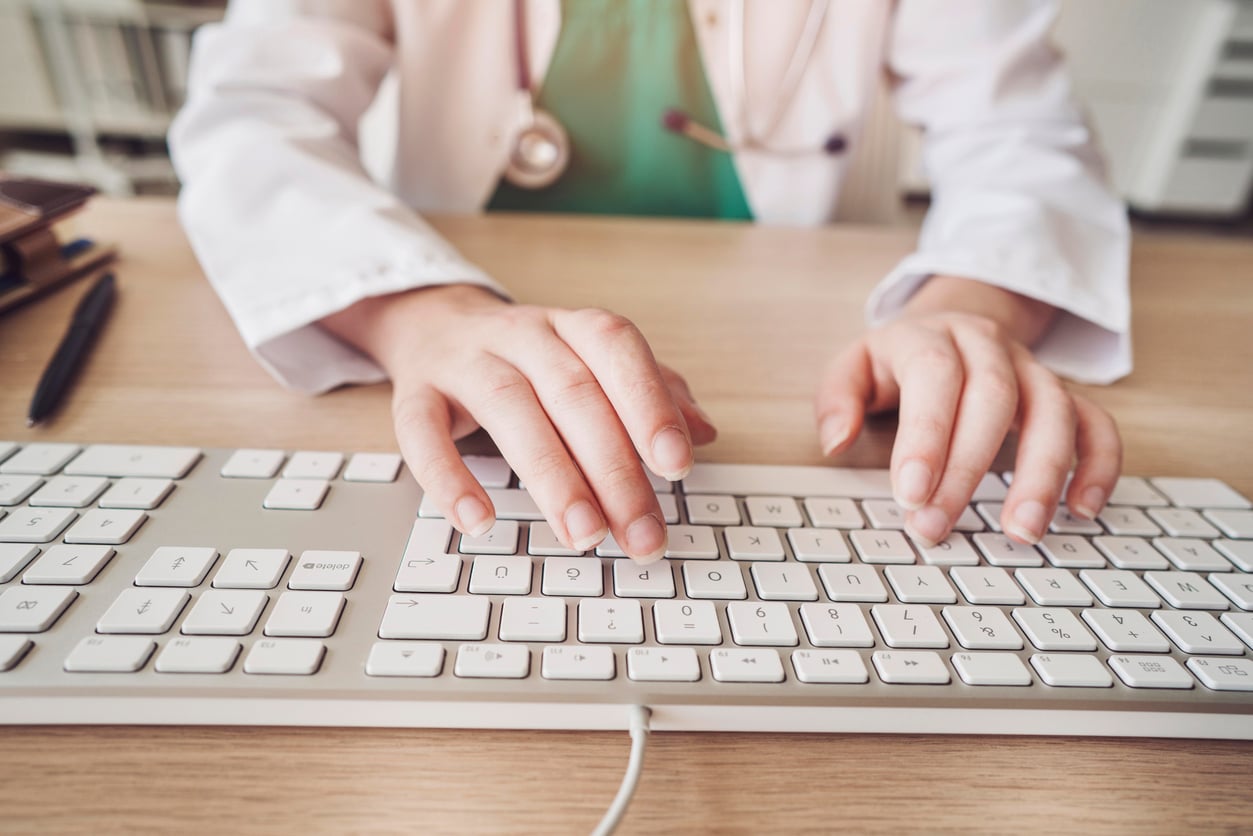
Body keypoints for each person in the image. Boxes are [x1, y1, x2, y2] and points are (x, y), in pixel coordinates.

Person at [169, 0, 1129, 564]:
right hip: (458, 304)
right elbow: (252, 114)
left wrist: (968, 305)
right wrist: (412, 311)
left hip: (780, 333)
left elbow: (1021, 140)